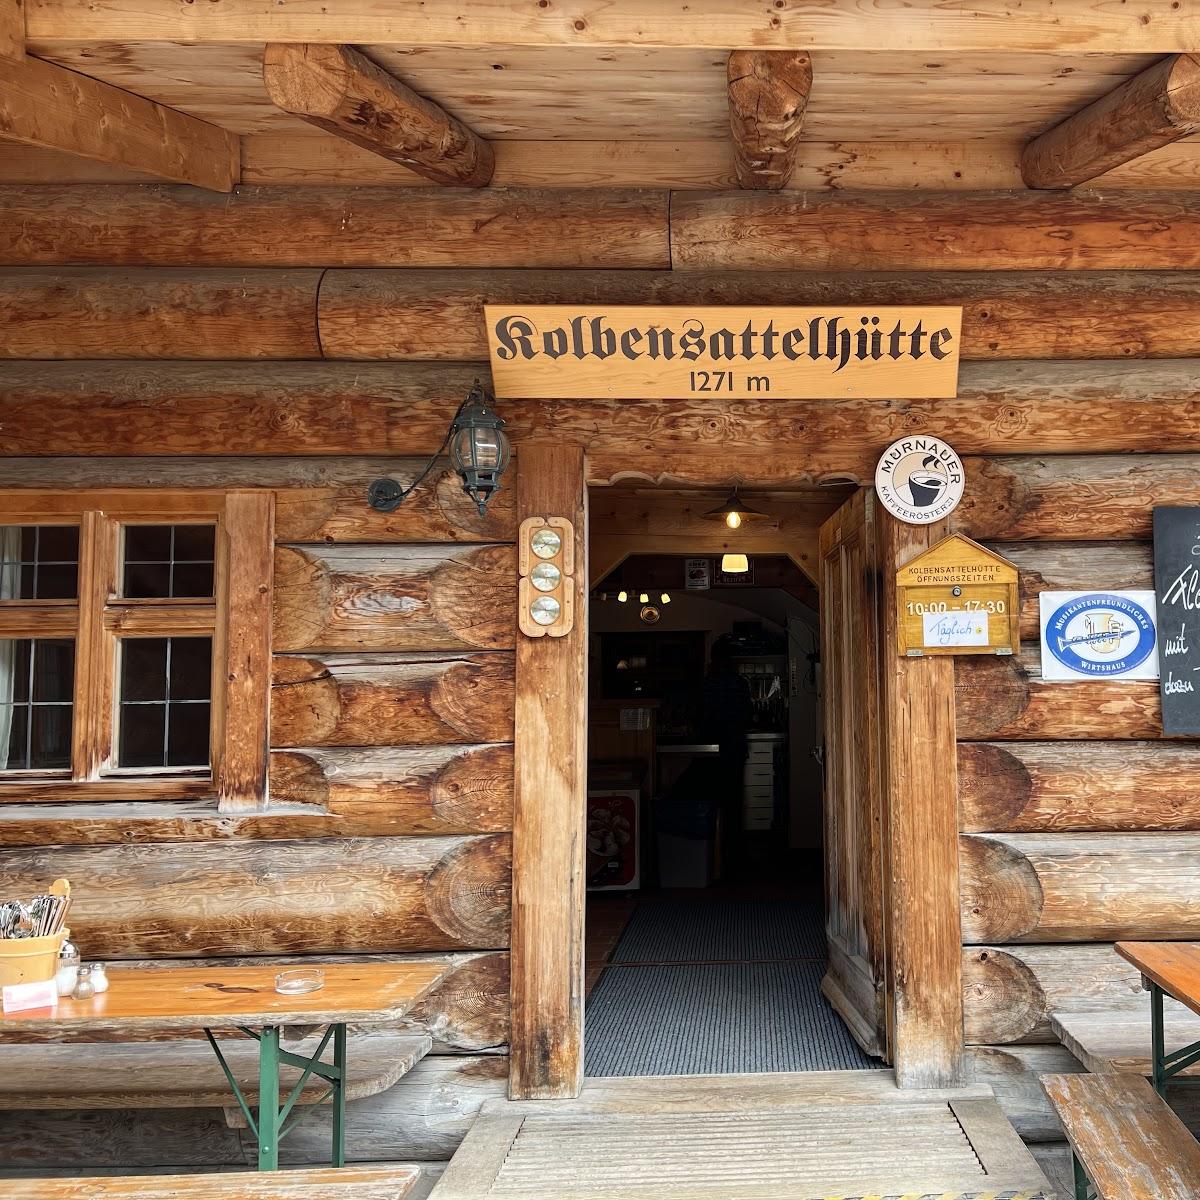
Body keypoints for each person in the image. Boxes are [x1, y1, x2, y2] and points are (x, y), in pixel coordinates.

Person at [699, 641, 754, 880]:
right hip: (734, 747)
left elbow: (701, 715)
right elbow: (747, 714)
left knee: (712, 798)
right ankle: (734, 851)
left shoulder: (708, 684)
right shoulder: (739, 684)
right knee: (734, 801)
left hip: (711, 750)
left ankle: (712, 849)